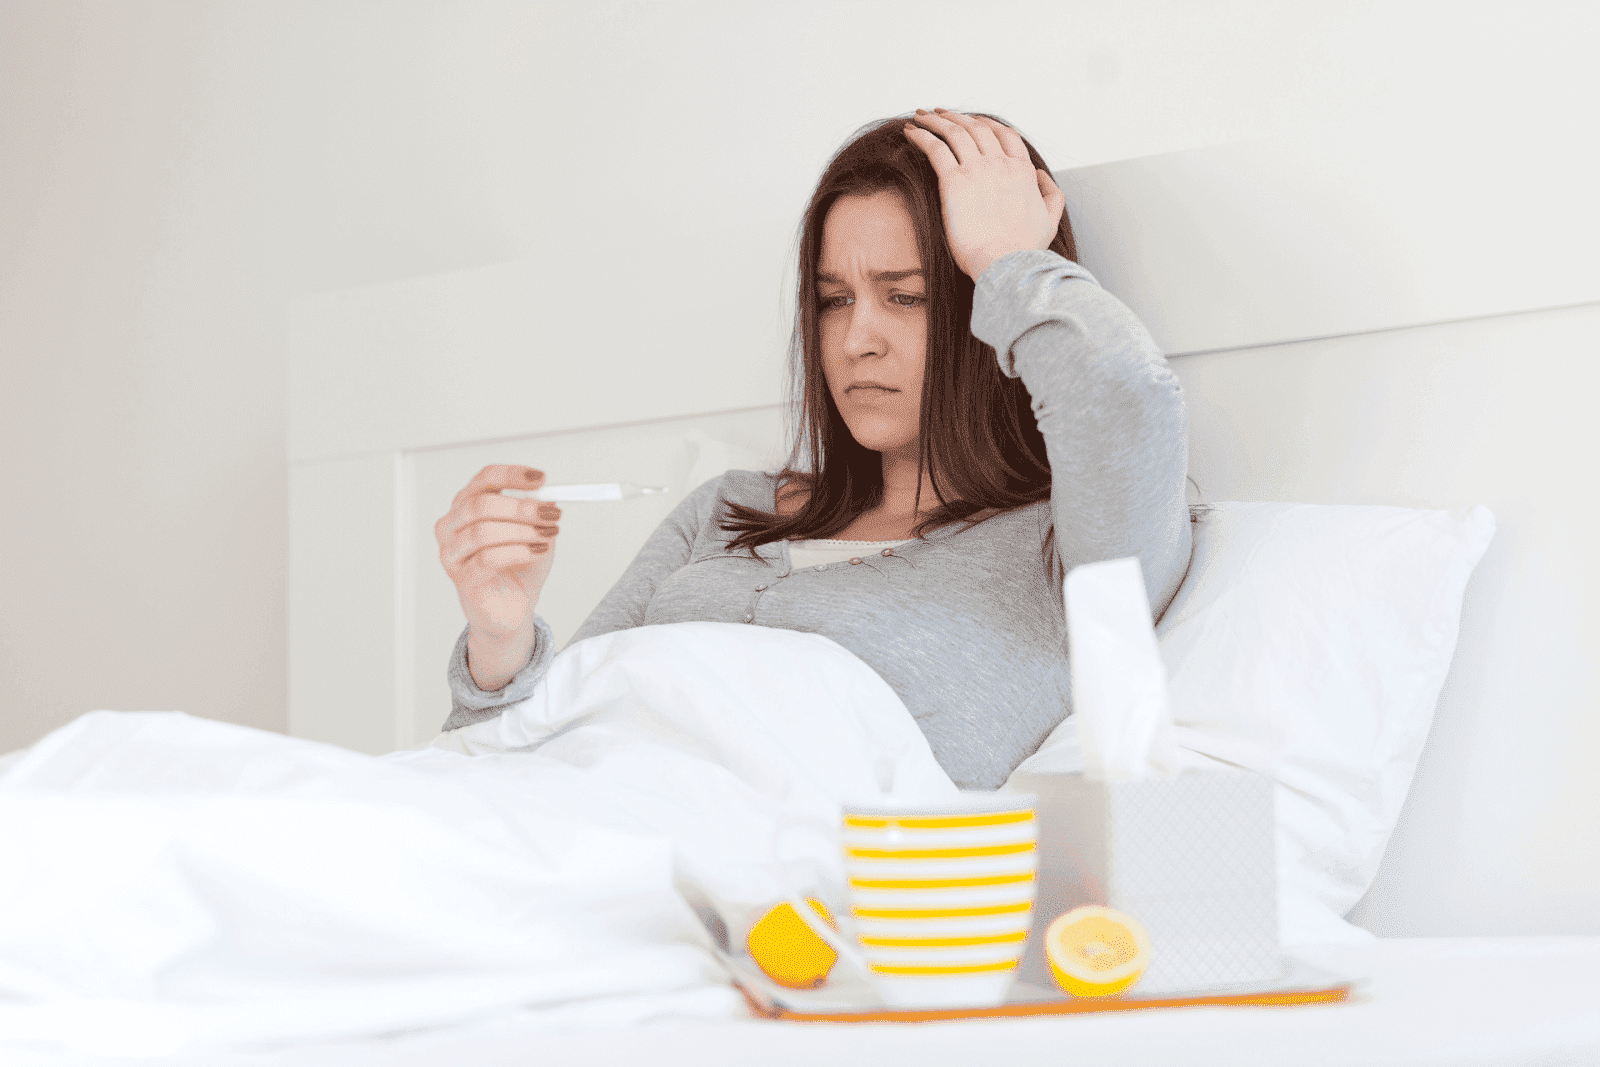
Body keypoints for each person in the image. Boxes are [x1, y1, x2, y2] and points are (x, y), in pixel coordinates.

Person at [433, 108, 1193, 790]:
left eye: (907, 296)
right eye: (834, 300)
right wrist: (501, 638)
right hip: (571, 818)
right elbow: (513, 758)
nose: (857, 339)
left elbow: (1128, 398)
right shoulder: (729, 508)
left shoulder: (1072, 553)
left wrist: (1009, 257)